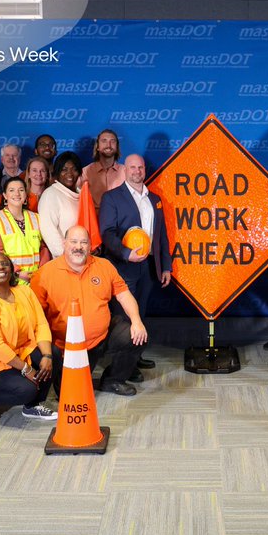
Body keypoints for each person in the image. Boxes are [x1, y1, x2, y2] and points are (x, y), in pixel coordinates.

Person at [30, 226, 148, 396]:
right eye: (74, 241)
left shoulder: (104, 266)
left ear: (90, 245)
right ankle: (61, 378)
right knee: (70, 395)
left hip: (101, 337)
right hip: (67, 349)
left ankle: (113, 380)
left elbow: (124, 295)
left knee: (137, 336)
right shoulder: (44, 274)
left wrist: (137, 322)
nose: (79, 246)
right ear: (64, 243)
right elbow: (36, 317)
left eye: (84, 242)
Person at [0, 252, 58, 423]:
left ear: (11, 269)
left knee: (55, 354)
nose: (0, 267)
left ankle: (33, 406)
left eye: (4, 263)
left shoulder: (24, 291)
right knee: (26, 390)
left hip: (21, 351)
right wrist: (26, 369)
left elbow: (41, 324)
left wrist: (47, 356)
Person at [100, 154, 171, 373]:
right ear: (125, 170)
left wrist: (166, 265)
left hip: (149, 267)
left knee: (141, 313)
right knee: (124, 316)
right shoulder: (112, 197)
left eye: (140, 167)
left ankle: (134, 357)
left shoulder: (154, 199)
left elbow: (161, 236)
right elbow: (107, 233)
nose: (137, 171)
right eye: (132, 167)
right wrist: (126, 253)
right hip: (124, 266)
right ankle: (120, 367)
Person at [0, 176, 50, 283]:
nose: (17, 194)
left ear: (25, 194)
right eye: (11, 190)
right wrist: (17, 272)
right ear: (5, 195)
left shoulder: (36, 217)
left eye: (21, 190)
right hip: (10, 279)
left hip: (36, 279)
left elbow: (44, 247)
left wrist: (41, 271)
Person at [38, 152, 83, 258]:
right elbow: (48, 230)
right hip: (64, 260)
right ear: (57, 172)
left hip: (84, 258)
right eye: (64, 169)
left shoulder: (83, 195)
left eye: (74, 169)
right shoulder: (50, 194)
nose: (70, 174)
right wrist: (66, 255)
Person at [81, 129, 125, 210]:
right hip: (94, 219)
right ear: (97, 146)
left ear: (117, 147)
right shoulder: (85, 172)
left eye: (112, 141)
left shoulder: (126, 172)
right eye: (104, 141)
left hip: (120, 219)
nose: (108, 145)